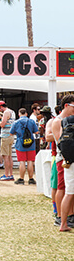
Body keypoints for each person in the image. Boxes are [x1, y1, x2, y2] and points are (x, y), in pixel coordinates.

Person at [52, 95, 74, 231]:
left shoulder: (63, 121)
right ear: (66, 105)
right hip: (64, 159)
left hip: (66, 159)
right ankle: (60, 216)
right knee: (62, 188)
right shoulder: (58, 121)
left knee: (67, 189)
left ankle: (66, 218)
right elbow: (59, 141)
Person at [10, 108, 38, 185]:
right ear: (26, 114)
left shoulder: (16, 122)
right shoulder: (31, 121)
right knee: (30, 161)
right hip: (31, 144)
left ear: (19, 114)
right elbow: (36, 131)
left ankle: (21, 179)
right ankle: (31, 179)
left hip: (20, 144)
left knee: (22, 162)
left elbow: (11, 133)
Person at [45, 105, 62, 218]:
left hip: (63, 157)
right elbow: (48, 137)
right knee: (56, 185)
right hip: (56, 156)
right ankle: (56, 210)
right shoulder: (53, 122)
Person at [0, 101, 15, 181]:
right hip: (11, 135)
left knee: (5, 156)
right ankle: (10, 174)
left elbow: (2, 125)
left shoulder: (6, 112)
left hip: (5, 136)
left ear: (1, 107)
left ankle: (6, 174)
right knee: (9, 156)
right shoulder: (12, 112)